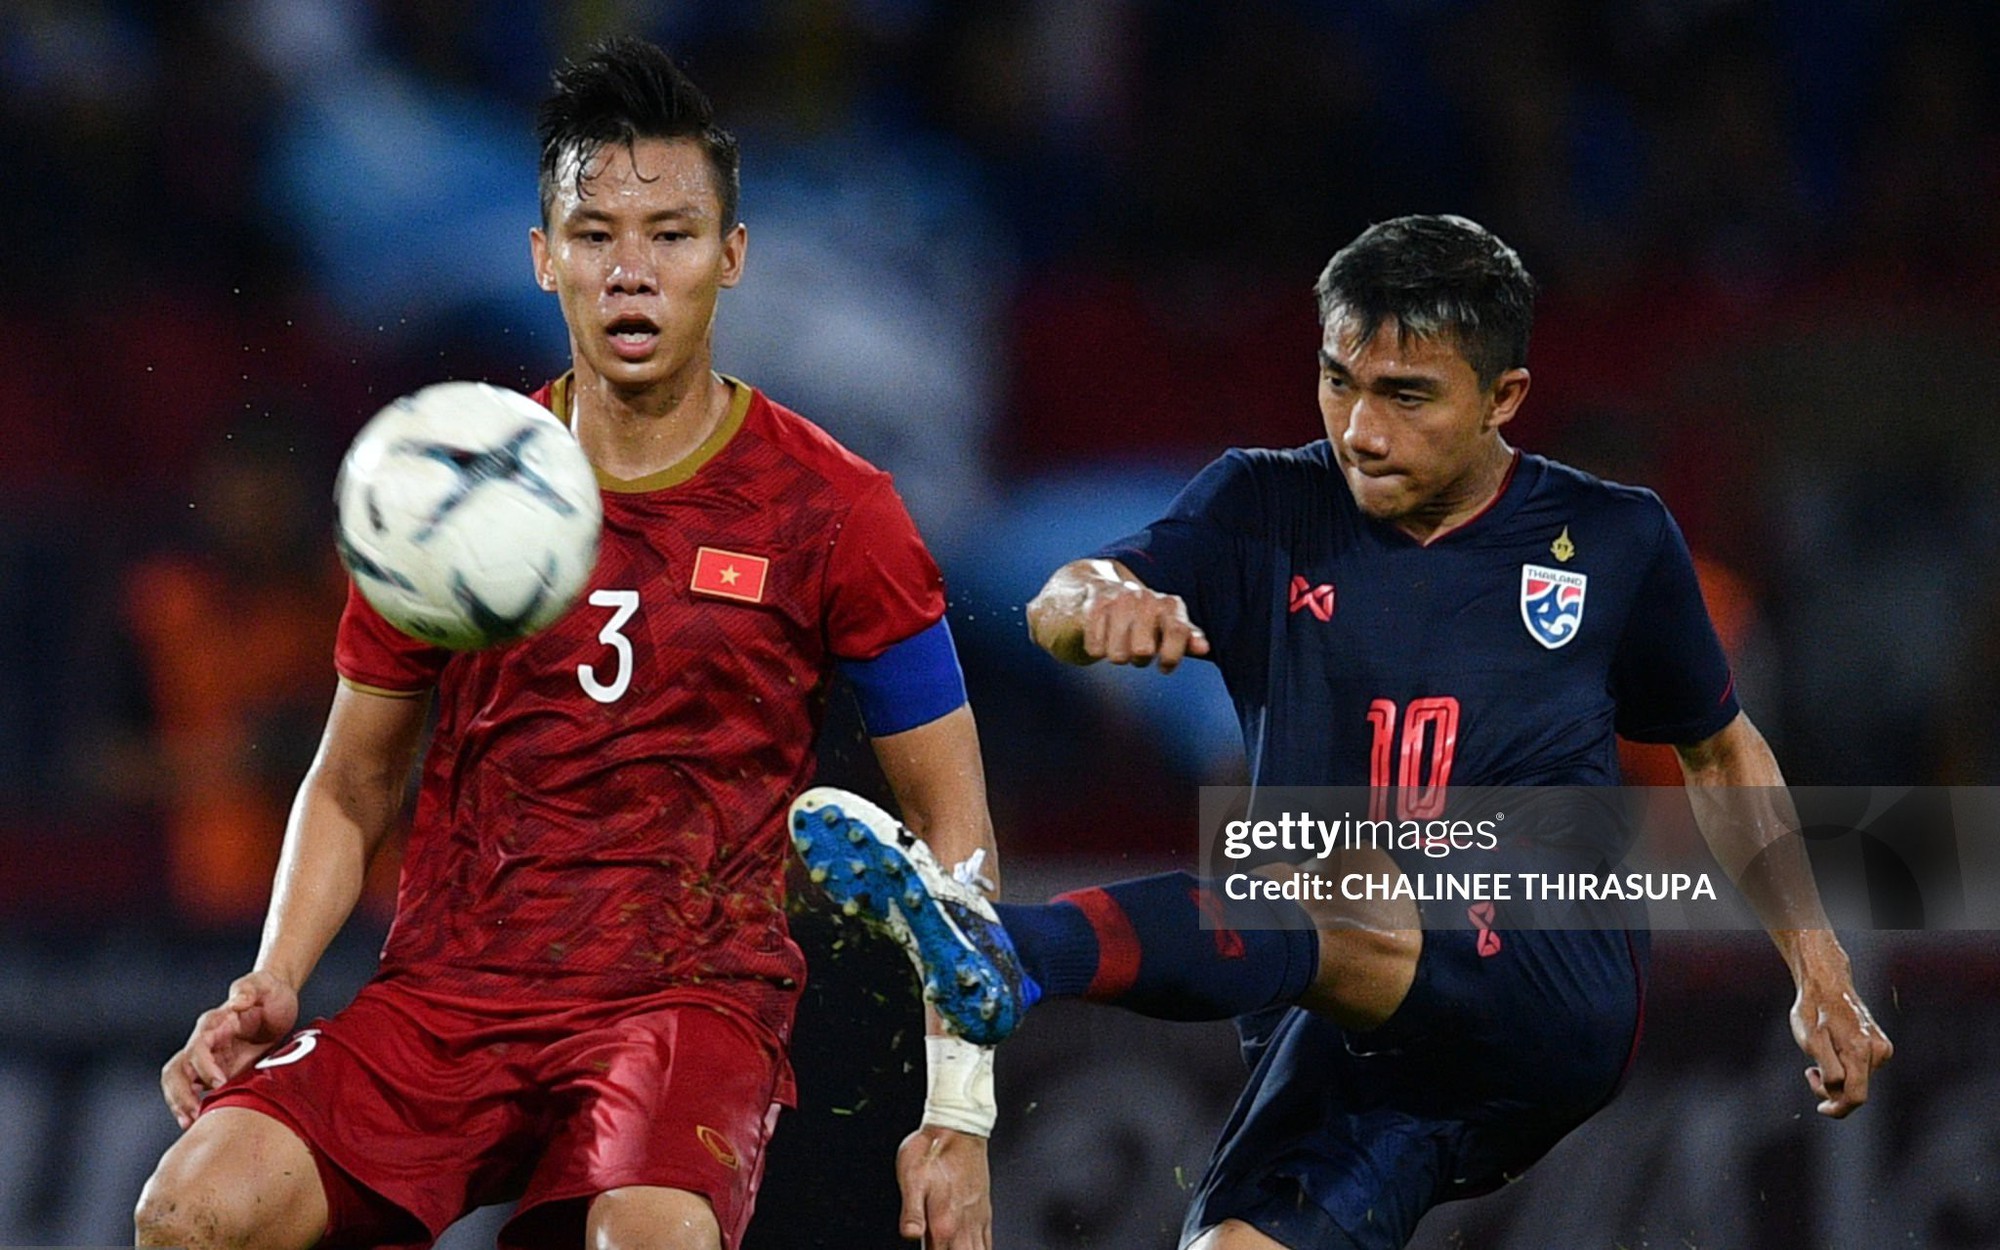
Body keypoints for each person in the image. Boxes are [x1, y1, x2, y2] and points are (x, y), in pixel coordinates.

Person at [790, 215, 1893, 1250]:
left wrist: (1816, 961)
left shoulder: (1611, 537)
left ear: (1502, 395)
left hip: (1545, 979)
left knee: (1333, 869)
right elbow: (1062, 595)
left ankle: (1011, 948)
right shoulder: (1260, 506)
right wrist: (1098, 609)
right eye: (1338, 382)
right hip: (1341, 1011)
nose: (1361, 429)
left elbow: (1719, 747)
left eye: (1406, 395)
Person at [135, 37, 999, 1250]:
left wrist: (959, 1108)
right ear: (544, 259)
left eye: (673, 235)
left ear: (733, 257)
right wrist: (276, 972)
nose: (632, 272)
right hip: (450, 994)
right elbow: (353, 775)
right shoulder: (445, 498)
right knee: (189, 1209)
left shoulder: (838, 511)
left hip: (686, 1004)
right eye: (596, 236)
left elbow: (953, 825)